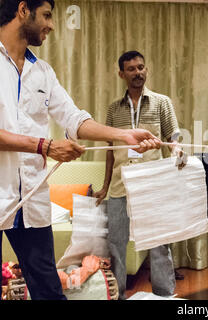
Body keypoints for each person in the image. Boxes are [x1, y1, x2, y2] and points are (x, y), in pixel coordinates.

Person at [0, 0, 160, 300]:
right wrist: (45, 146)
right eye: (46, 15)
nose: (51, 24)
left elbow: (74, 119)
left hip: (31, 199)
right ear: (23, 10)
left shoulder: (42, 72)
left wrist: (124, 135)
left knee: (48, 289)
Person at [94, 50, 186, 300]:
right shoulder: (114, 109)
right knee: (116, 245)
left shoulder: (161, 102)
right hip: (119, 187)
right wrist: (104, 186)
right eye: (132, 69)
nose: (138, 73)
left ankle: (164, 296)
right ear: (121, 74)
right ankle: (118, 295)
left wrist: (178, 151)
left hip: (153, 186)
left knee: (159, 244)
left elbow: (173, 139)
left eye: (141, 67)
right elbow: (110, 152)